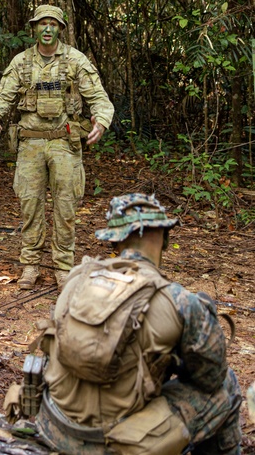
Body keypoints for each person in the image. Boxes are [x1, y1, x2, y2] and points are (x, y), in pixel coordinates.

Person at [32, 193, 241, 455]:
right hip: (116, 445)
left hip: (56, 429)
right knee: (228, 385)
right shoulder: (180, 302)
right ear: (165, 239)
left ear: (115, 241)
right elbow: (210, 378)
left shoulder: (76, 279)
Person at [0, 5, 114, 289]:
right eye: (43, 23)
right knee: (30, 205)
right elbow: (2, 96)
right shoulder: (22, 62)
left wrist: (100, 121)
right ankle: (30, 265)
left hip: (65, 143)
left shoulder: (75, 61)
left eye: (53, 23)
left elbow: (100, 98)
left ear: (60, 29)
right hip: (30, 142)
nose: (48, 29)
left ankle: (63, 267)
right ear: (34, 28)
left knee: (66, 207)